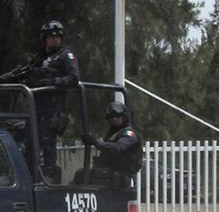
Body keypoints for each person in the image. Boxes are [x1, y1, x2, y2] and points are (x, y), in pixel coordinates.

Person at [27, 20, 80, 182]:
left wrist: (52, 82)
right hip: (36, 105)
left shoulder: (65, 56)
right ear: (44, 38)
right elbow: (30, 74)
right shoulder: (39, 57)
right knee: (28, 141)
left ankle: (50, 175)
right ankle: (30, 173)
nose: (55, 39)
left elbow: (73, 79)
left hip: (54, 107)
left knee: (47, 140)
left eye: (57, 37)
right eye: (51, 36)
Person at [81, 102, 142, 187]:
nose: (114, 119)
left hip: (123, 178)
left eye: (117, 116)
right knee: (81, 174)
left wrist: (96, 142)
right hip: (108, 174)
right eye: (111, 116)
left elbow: (118, 147)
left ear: (123, 117)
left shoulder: (129, 134)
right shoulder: (111, 134)